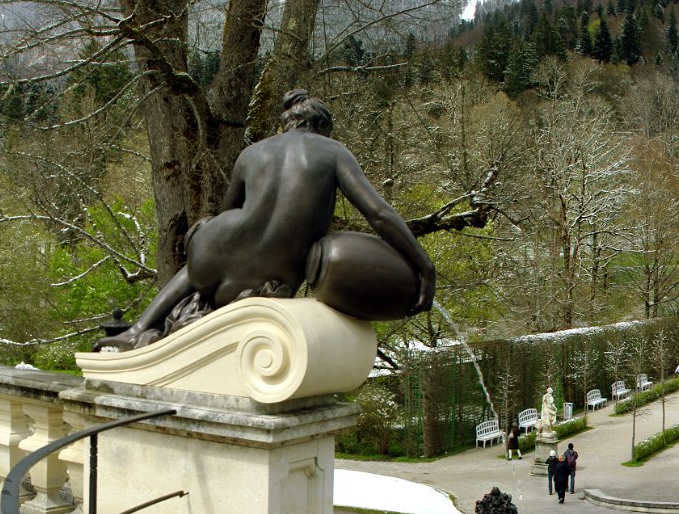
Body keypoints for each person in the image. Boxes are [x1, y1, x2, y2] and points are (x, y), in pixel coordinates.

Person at [92, 89, 436, 352]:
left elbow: (228, 215)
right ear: (320, 126)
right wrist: (424, 266)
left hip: (211, 252)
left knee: (207, 256)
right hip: (270, 274)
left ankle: (138, 329)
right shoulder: (332, 151)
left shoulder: (251, 153)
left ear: (288, 123)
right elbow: (378, 213)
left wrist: (206, 231)